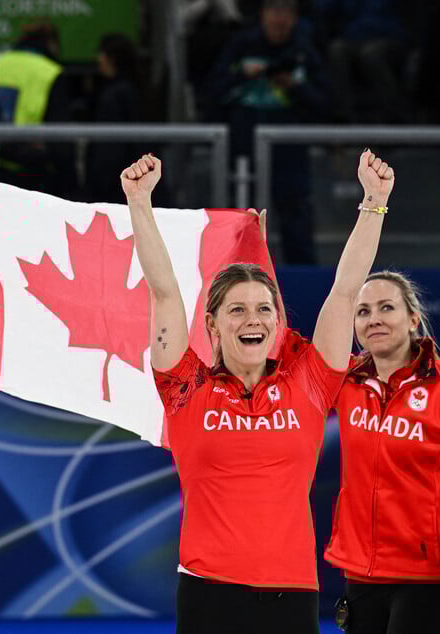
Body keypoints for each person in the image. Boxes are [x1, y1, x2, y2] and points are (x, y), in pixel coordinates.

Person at [122, 148, 393, 633]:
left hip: (291, 595)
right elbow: (163, 292)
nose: (254, 319)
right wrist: (139, 203)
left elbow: (346, 291)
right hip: (207, 592)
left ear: (278, 321)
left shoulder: (309, 383)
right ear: (213, 325)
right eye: (238, 310)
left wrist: (373, 202)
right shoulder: (185, 387)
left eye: (264, 309)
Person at [324, 271, 440, 634]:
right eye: (363, 311)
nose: (374, 318)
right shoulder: (345, 382)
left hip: (429, 581)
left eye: (386, 307)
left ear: (413, 319)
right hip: (361, 577)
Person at [206, 0, 330, 264]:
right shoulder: (240, 46)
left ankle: (304, 291)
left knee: (296, 224)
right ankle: (232, 282)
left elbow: (326, 105)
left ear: (296, 17)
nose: (279, 18)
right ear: (262, 14)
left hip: (291, 154)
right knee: (240, 223)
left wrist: (294, 87)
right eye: (274, 10)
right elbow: (213, 93)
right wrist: (245, 76)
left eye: (287, 11)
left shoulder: (305, 51)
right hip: (243, 152)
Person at [0, 21, 77, 198]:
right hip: (32, 171)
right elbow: (60, 134)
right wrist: (70, 184)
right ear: (51, 44)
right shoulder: (50, 72)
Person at [85, 33, 144, 204]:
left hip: (116, 186)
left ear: (112, 59)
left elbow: (109, 148)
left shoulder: (114, 94)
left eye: (101, 54)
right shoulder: (135, 88)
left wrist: (99, 183)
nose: (98, 59)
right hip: (131, 179)